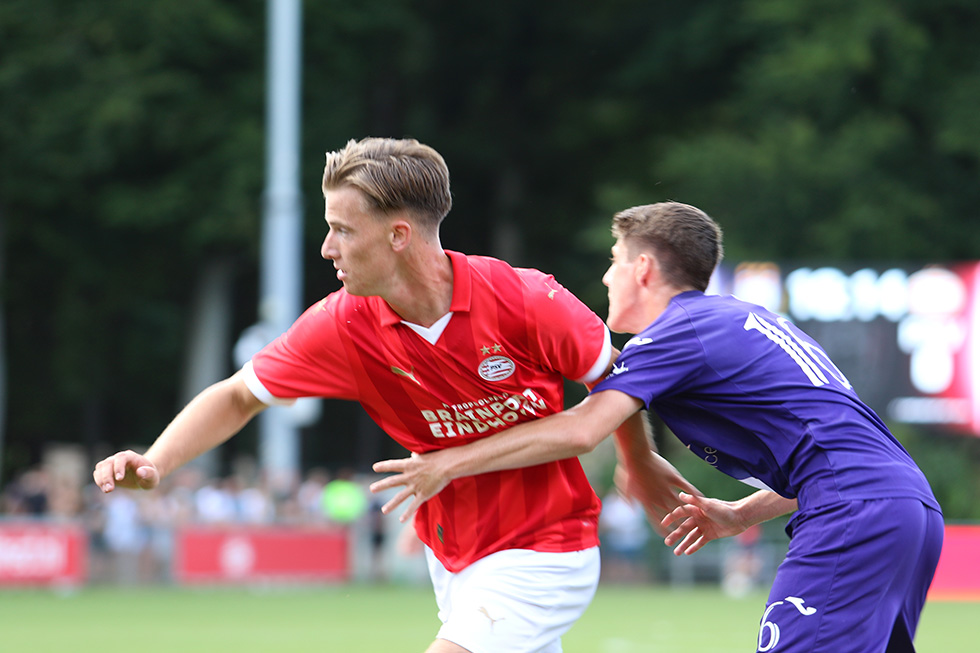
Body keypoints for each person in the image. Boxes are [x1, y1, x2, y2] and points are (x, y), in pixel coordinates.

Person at [93, 138, 695, 653]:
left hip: (545, 547)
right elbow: (238, 396)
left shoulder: (524, 300)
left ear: (399, 235)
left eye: (342, 230)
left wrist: (638, 462)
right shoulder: (340, 325)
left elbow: (615, 384)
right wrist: (156, 461)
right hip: (451, 556)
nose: (328, 248)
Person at [371, 201, 944, 653]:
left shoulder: (677, 332)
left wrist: (446, 462)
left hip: (855, 514)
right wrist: (741, 513)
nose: (606, 275)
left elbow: (580, 430)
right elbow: (844, 456)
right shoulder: (748, 318)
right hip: (906, 506)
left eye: (614, 259)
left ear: (642, 268)